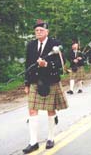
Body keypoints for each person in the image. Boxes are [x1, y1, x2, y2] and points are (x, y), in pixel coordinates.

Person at [23, 19, 68, 154]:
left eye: (41, 30)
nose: (38, 32)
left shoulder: (55, 44)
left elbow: (61, 62)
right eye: (36, 30)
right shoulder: (31, 45)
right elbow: (27, 65)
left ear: (47, 31)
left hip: (50, 81)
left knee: (50, 110)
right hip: (35, 81)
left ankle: (50, 138)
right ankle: (33, 142)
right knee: (32, 110)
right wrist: (26, 83)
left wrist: (47, 65)